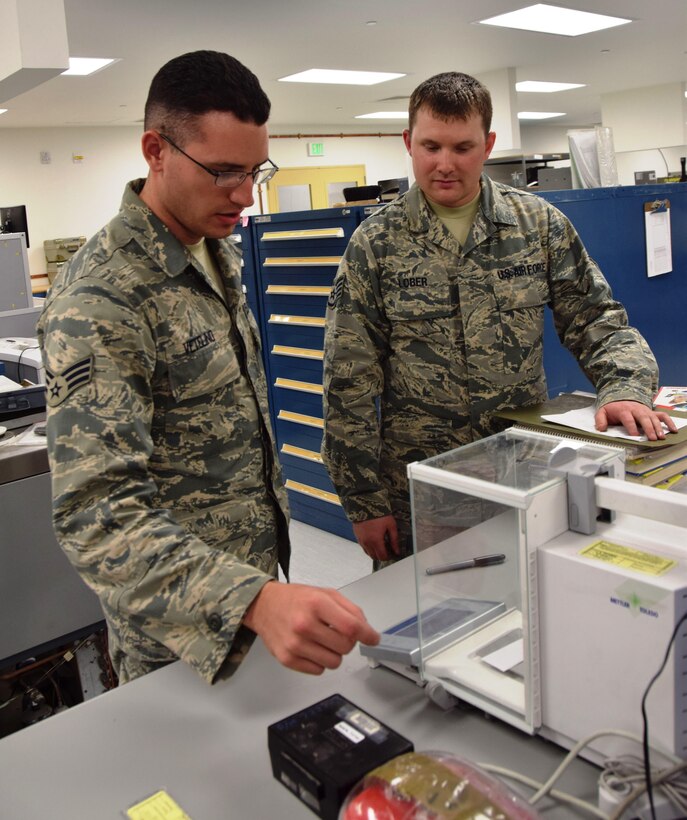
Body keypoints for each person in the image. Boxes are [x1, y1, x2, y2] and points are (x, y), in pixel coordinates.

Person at [38, 50, 378, 685]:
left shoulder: (212, 250)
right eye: (223, 171)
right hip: (177, 641)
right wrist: (247, 599)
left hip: (255, 592)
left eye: (254, 171)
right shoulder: (103, 298)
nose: (244, 196)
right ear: (156, 150)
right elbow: (96, 515)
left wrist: (262, 594)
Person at [322, 71, 677, 567]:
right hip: (422, 491)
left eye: (462, 147)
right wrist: (362, 499)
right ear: (408, 142)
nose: (445, 164)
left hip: (526, 476)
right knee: (433, 621)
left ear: (488, 145)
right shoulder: (375, 245)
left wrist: (623, 387)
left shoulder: (538, 225)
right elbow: (349, 380)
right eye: (430, 146)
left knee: (536, 613)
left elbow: (598, 320)